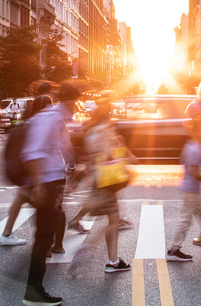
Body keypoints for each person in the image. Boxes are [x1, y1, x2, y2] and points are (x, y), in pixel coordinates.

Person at [21, 82, 81, 306]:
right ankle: (33, 291)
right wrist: (37, 185)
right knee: (44, 237)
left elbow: (64, 147)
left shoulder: (56, 119)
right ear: (68, 100)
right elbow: (33, 152)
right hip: (45, 182)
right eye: (76, 101)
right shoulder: (51, 118)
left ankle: (34, 289)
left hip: (51, 181)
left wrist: (72, 168)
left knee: (45, 236)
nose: (77, 106)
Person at [81, 100, 132, 272]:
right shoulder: (105, 130)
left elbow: (90, 157)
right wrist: (120, 145)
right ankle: (92, 251)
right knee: (113, 221)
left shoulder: (90, 131)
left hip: (97, 179)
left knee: (112, 218)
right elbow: (109, 154)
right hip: (107, 181)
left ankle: (113, 260)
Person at [0, 95, 54, 246]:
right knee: (41, 204)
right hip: (31, 171)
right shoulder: (38, 124)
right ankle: (44, 242)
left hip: (24, 171)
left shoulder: (28, 121)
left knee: (21, 199)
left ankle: (7, 233)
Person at [166, 115, 201, 262]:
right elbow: (195, 173)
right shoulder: (193, 149)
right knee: (185, 220)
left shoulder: (194, 146)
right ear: (198, 132)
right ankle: (173, 250)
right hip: (192, 190)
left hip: (196, 189)